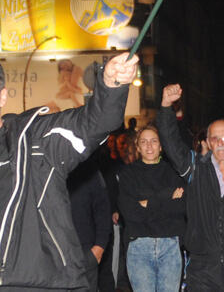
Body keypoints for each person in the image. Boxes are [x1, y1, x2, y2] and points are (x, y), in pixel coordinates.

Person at [0, 52, 137, 290]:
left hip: (36, 281)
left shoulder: (36, 139)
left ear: (2, 96)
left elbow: (94, 123)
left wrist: (111, 84)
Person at [156, 84, 224, 290]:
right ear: (208, 141)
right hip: (201, 267)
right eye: (215, 138)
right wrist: (165, 107)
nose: (221, 143)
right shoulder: (195, 168)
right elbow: (171, 142)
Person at [116, 124, 186, 292]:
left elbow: (181, 207)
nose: (149, 146)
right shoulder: (127, 174)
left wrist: (146, 203)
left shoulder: (175, 172)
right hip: (139, 246)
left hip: (170, 245)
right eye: (144, 142)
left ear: (161, 146)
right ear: (138, 147)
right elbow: (130, 212)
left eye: (154, 141)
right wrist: (166, 196)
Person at [67, 157, 113, 292]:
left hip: (85, 252)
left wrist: (99, 246)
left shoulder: (88, 168)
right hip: (51, 252)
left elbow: (103, 208)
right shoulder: (44, 164)